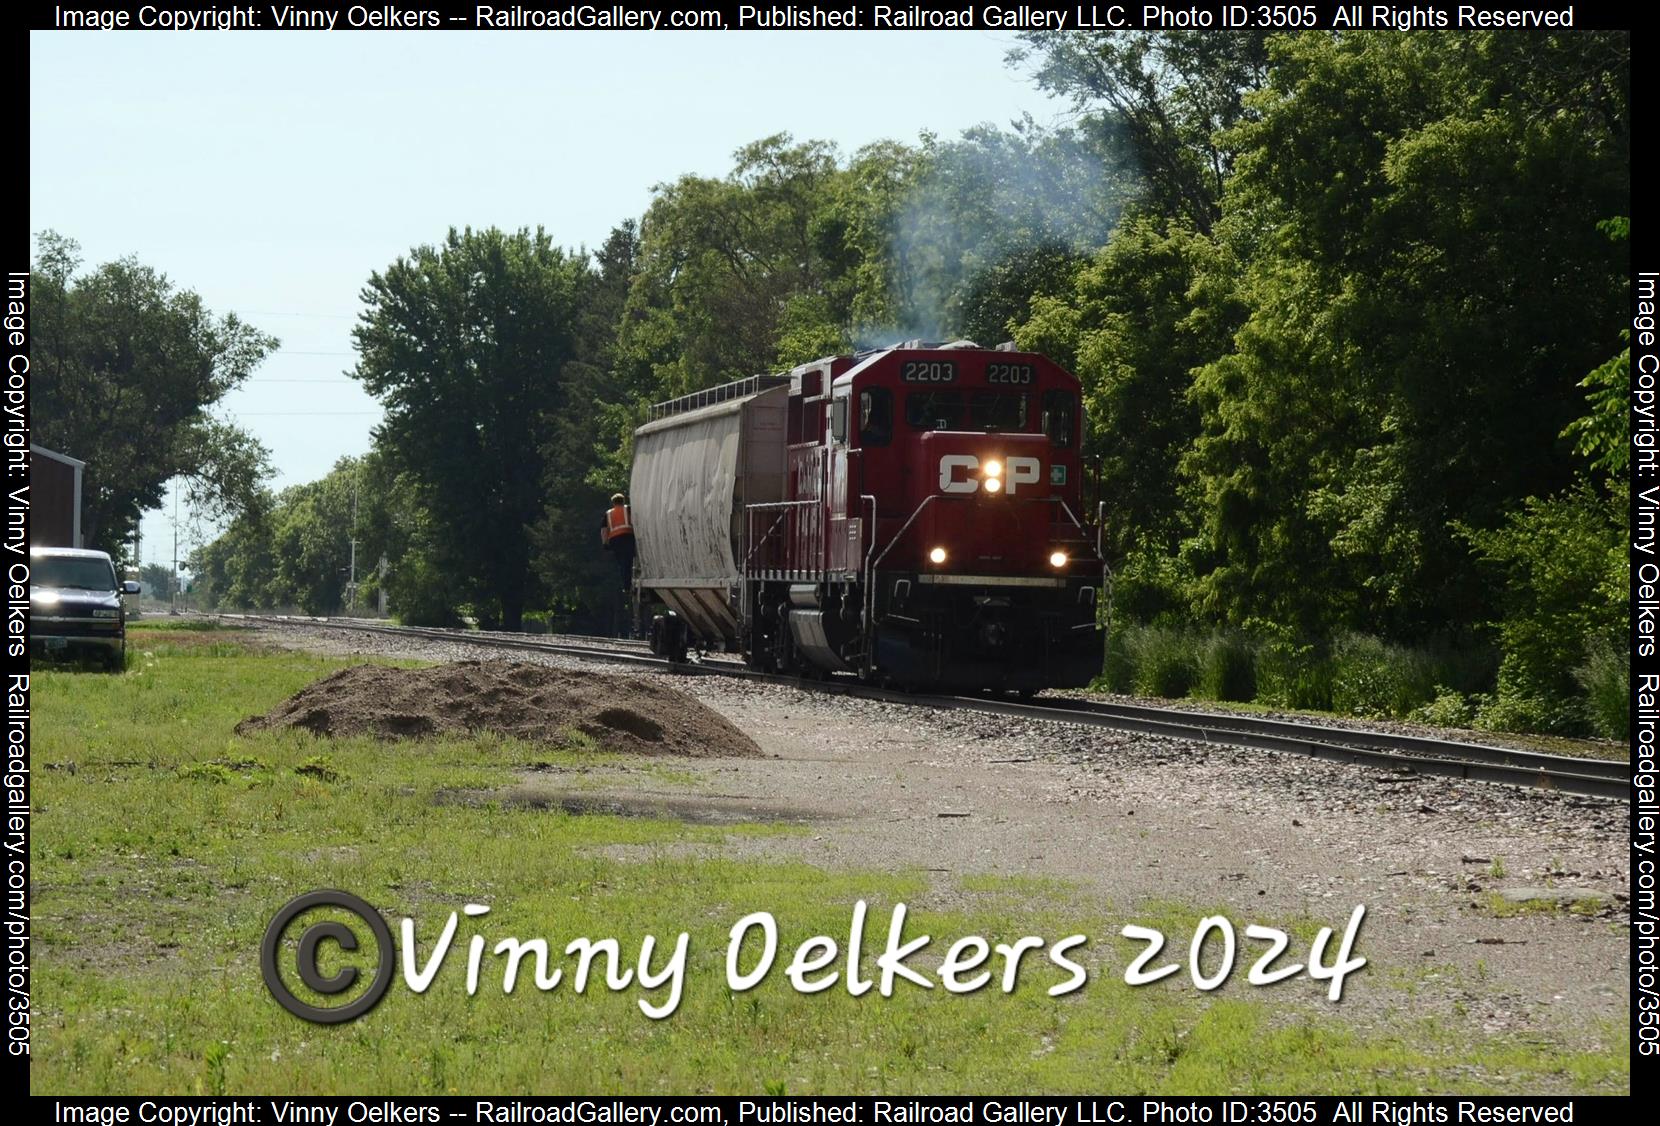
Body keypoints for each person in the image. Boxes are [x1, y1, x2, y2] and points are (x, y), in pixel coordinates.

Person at [600, 492, 635, 592]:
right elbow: (635, 521)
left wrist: (605, 543)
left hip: (615, 540)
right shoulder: (627, 509)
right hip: (628, 536)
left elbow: (604, 530)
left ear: (613, 503)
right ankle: (631, 580)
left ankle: (626, 586)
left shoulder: (608, 513)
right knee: (630, 560)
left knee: (622, 563)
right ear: (623, 501)